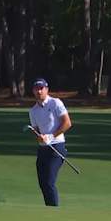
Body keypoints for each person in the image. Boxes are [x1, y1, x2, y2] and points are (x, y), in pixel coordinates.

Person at [27, 78, 72, 206]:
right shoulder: (33, 111)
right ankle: (49, 208)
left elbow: (67, 123)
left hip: (57, 148)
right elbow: (36, 130)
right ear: (33, 91)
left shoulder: (55, 103)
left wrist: (51, 137)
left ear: (47, 89)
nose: (39, 91)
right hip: (43, 149)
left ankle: (54, 210)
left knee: (49, 181)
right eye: (36, 89)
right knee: (43, 183)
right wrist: (39, 137)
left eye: (41, 88)